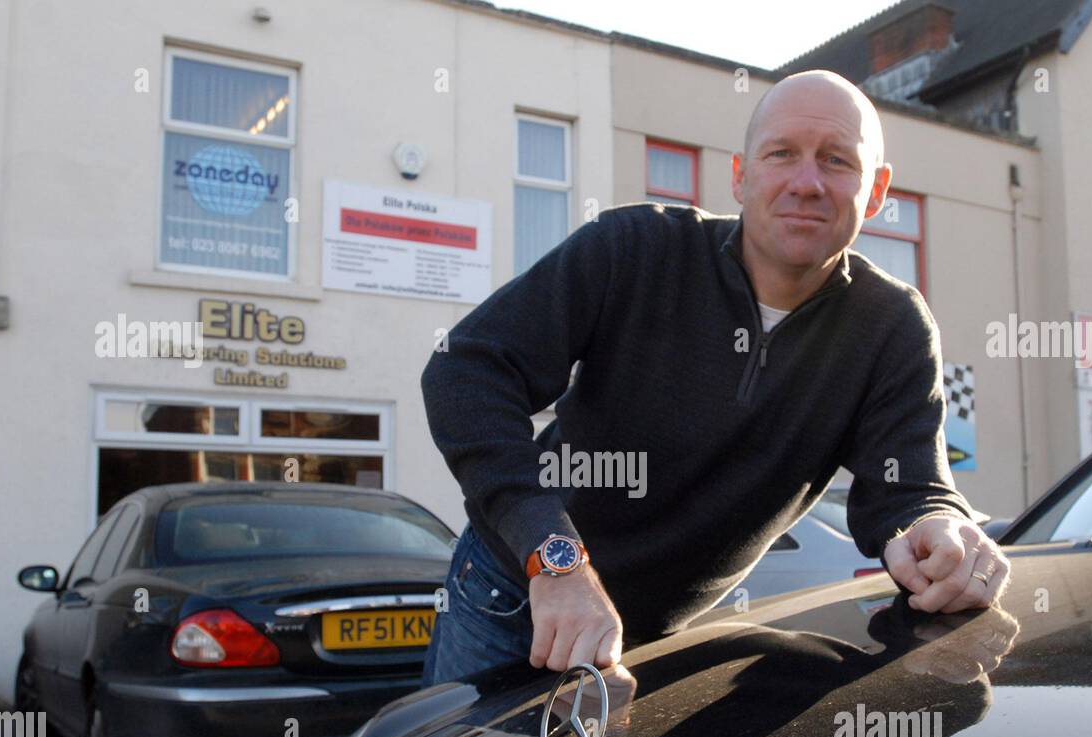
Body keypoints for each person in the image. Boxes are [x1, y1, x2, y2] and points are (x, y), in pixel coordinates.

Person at [419, 69, 1011, 688]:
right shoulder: (634, 249)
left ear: (877, 190)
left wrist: (935, 530)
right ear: (740, 174)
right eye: (781, 153)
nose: (806, 183)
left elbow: (910, 488)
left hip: (649, 644)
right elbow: (466, 369)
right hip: (513, 595)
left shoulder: (892, 326)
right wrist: (555, 563)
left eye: (837, 161)